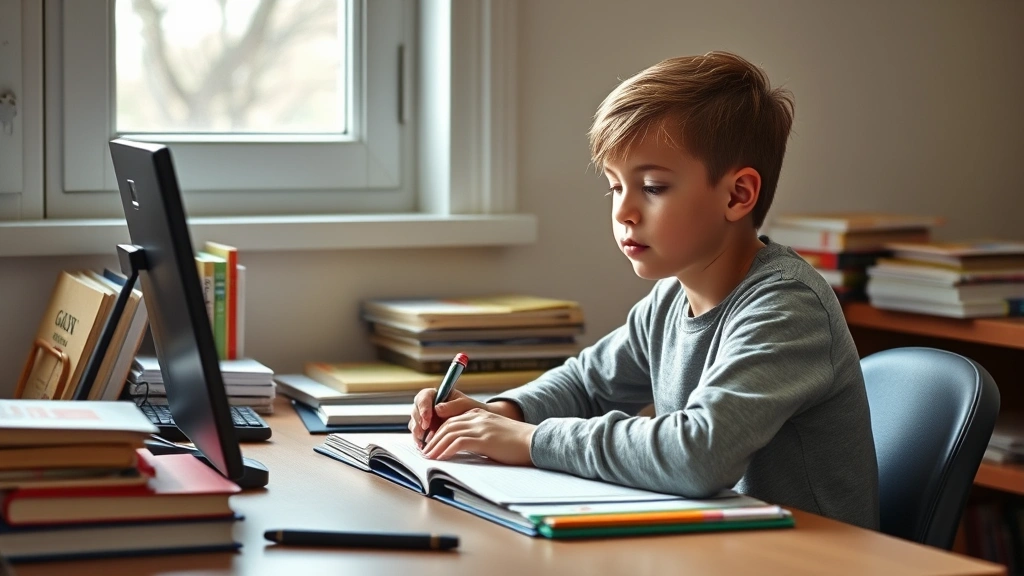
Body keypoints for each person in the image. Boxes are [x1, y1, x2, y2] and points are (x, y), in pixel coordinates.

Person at [408, 51, 879, 529]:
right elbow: (588, 384)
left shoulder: (786, 307)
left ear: (738, 195)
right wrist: (500, 413)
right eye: (615, 187)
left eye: (653, 187)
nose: (624, 211)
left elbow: (698, 454)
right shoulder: (672, 299)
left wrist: (529, 441)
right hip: (719, 547)